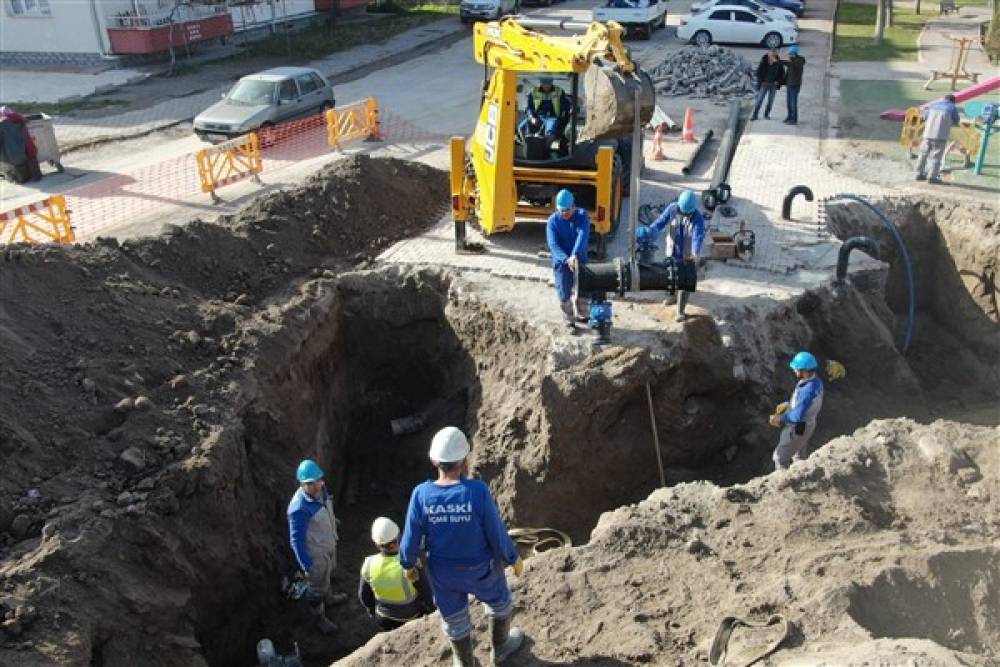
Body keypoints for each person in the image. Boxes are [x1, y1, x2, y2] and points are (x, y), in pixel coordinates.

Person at [400, 427, 525, 667]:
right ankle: (500, 648)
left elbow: (410, 539)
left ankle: (464, 662)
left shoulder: (421, 495)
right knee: (500, 603)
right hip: (481, 569)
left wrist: (407, 563)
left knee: (454, 619)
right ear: (464, 461)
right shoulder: (477, 491)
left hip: (443, 573)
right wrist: (512, 557)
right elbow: (496, 532)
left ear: (434, 460)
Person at [287, 459, 349, 634]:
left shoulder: (321, 490)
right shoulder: (298, 509)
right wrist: (305, 565)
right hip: (316, 554)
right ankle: (319, 618)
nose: (319, 485)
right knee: (316, 588)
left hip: (329, 543)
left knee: (328, 574)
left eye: (320, 480)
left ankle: (328, 598)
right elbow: (296, 541)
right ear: (303, 484)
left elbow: (327, 506)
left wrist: (333, 521)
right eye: (313, 483)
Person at [358, 517, 435, 631]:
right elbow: (426, 591)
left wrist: (371, 611)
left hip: (384, 619)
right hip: (411, 616)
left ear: (378, 545)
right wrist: (433, 611)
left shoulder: (368, 564)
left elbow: (364, 596)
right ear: (398, 537)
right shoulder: (409, 563)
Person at [649, 189, 705, 322]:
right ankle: (671, 296)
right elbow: (660, 222)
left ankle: (680, 310)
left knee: (684, 282)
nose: (684, 214)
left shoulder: (698, 219)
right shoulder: (673, 209)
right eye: (682, 211)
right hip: (673, 251)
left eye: (687, 213)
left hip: (687, 256)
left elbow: (698, 236)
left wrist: (695, 252)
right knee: (670, 276)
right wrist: (650, 230)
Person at [769, 351, 824, 471]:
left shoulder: (807, 391)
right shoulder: (815, 382)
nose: (794, 371)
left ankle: (784, 481)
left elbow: (797, 416)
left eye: (796, 368)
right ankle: (801, 474)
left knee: (779, 458)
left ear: (803, 370)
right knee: (798, 454)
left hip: (798, 427)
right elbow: (805, 405)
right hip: (807, 426)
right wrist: (788, 405)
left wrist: (779, 418)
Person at [545, 189, 590, 333]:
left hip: (579, 258)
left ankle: (583, 313)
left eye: (567, 210)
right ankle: (569, 319)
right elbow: (553, 244)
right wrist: (566, 259)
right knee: (564, 291)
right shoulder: (553, 221)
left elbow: (582, 235)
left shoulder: (582, 216)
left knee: (583, 287)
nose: (564, 213)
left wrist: (575, 255)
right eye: (561, 210)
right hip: (562, 262)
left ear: (574, 207)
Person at [915, 94, 960, 184]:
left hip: (927, 134)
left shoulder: (933, 105)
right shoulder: (952, 107)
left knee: (923, 154)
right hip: (940, 136)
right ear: (953, 101)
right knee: (936, 158)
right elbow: (956, 120)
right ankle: (932, 177)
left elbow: (924, 117)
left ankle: (919, 173)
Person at [522, 77, 573, 145]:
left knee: (550, 132)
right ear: (540, 82)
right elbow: (529, 107)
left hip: (552, 117)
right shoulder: (534, 91)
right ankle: (527, 147)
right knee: (521, 128)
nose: (546, 86)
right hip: (538, 117)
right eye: (544, 84)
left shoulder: (559, 91)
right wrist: (532, 118)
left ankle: (544, 150)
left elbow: (566, 104)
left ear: (551, 82)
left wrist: (571, 108)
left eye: (548, 84)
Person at [0, 105, 40, 183]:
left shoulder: (3, 123)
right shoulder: (20, 118)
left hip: (14, 148)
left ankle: (23, 179)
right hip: (27, 144)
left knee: (18, 163)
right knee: (31, 159)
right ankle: (36, 177)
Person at [751, 49, 785, 121]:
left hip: (773, 85)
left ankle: (766, 115)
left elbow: (782, 74)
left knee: (770, 101)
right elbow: (758, 72)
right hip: (764, 84)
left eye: (774, 55)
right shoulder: (764, 61)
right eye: (771, 54)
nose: (773, 56)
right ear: (769, 54)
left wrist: (778, 81)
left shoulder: (779, 62)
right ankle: (755, 115)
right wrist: (761, 81)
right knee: (759, 100)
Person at [782, 46, 806, 125]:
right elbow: (788, 72)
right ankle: (789, 116)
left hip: (795, 85)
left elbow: (791, 65)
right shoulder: (792, 61)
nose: (788, 55)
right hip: (789, 84)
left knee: (793, 103)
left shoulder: (799, 61)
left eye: (790, 54)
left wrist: (779, 61)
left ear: (794, 54)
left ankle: (794, 119)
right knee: (788, 102)